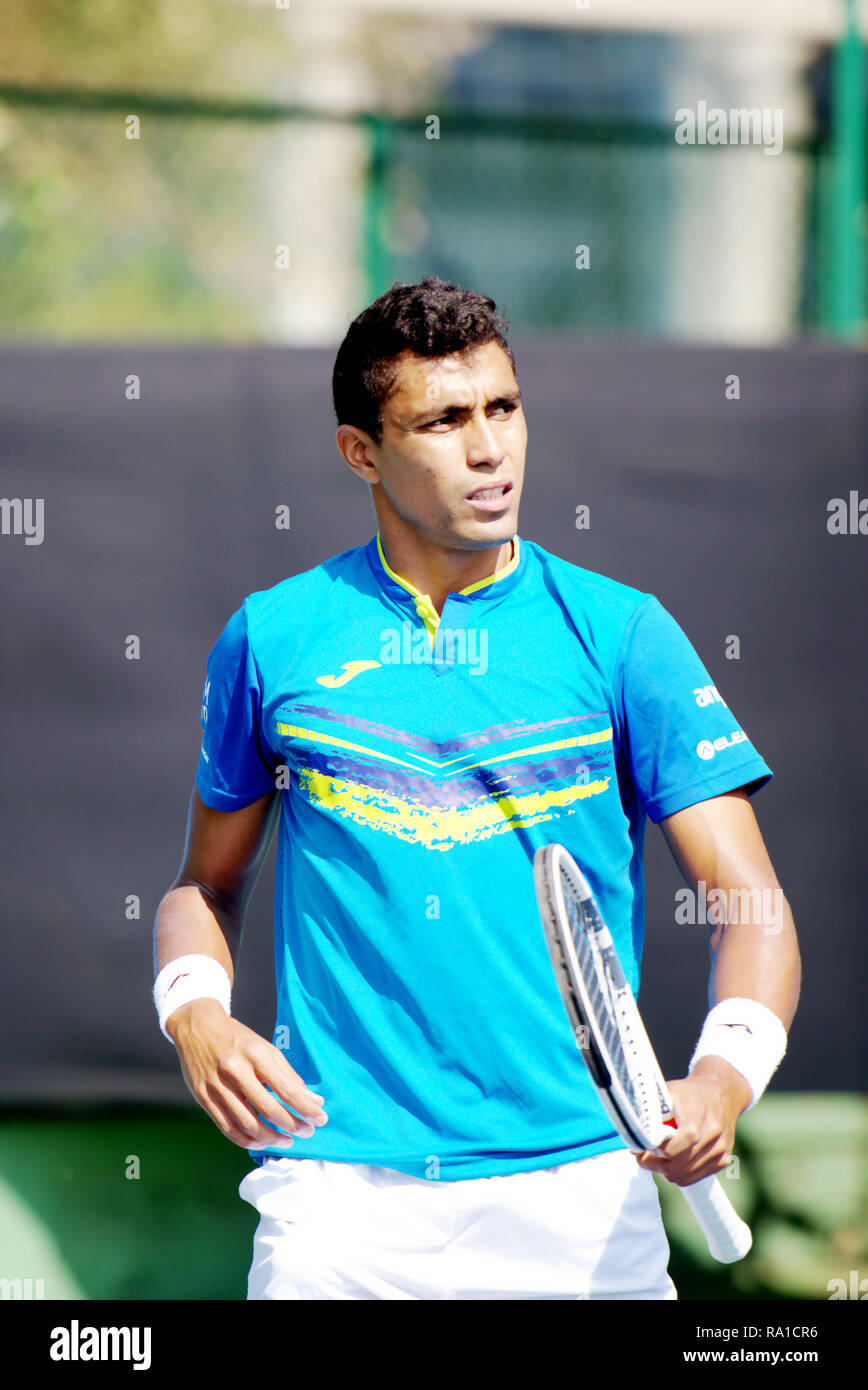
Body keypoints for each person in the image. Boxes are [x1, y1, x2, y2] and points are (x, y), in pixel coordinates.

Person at [153, 277, 800, 1300]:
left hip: (586, 1196)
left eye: (502, 407)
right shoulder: (271, 635)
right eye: (443, 421)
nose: (489, 447)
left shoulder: (621, 632)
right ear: (360, 451)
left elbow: (748, 898)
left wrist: (723, 1076)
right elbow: (204, 884)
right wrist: (194, 1013)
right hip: (335, 1195)